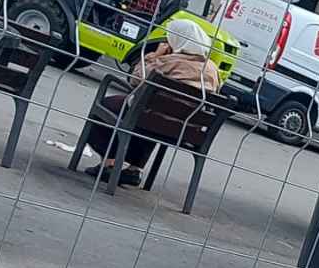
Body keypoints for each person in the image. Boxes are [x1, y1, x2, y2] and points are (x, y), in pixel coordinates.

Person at [82, 17, 219, 187]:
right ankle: (134, 169)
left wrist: (155, 55)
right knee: (161, 115)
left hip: (147, 117)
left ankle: (109, 165)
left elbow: (136, 78)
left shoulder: (169, 61)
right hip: (185, 128)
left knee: (109, 106)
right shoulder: (212, 70)